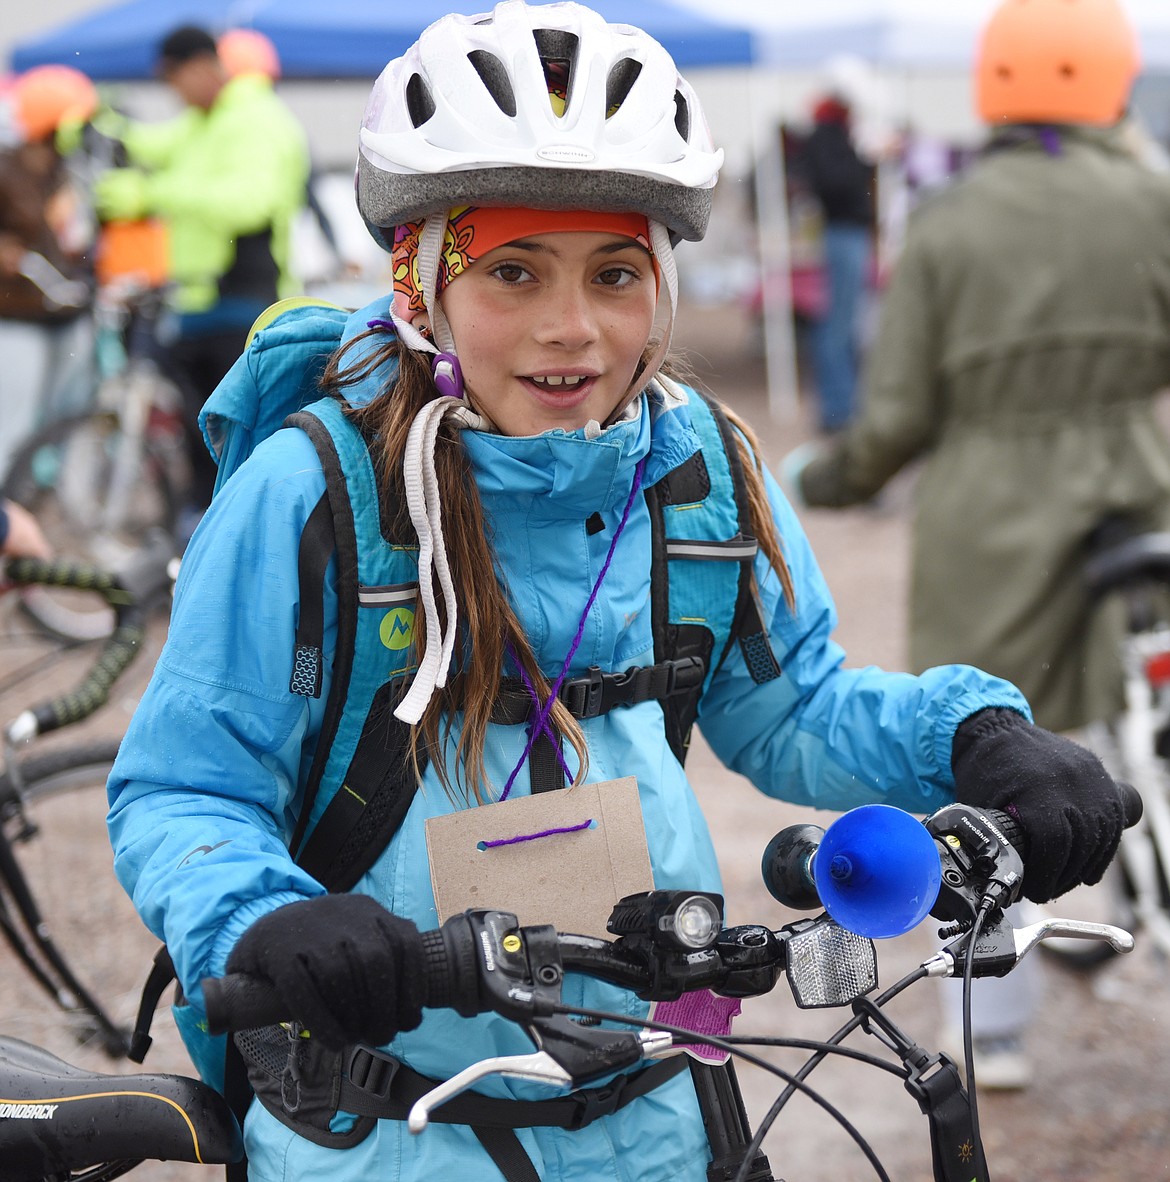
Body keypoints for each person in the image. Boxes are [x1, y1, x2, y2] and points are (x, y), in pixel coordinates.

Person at [106, 4, 1132, 1179]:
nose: (573, 329)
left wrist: (977, 736)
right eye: (511, 270)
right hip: (393, 1130)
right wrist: (260, 917)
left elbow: (792, 706)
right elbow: (186, 786)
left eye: (616, 272)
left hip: (664, 1110)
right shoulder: (311, 494)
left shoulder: (695, 468)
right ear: (419, 279)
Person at [793, 0, 1166, 1088]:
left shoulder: (952, 218)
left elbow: (899, 411)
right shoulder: (1155, 196)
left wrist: (832, 476)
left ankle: (991, 1025)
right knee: (1133, 714)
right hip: (1135, 492)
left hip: (988, 515)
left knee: (983, 755)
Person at [92, 24, 310, 532]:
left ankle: (245, 531)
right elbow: (150, 142)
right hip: (194, 300)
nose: (174, 93)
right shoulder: (203, 120)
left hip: (245, 301)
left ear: (199, 67)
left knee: (235, 433)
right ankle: (199, 524)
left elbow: (249, 201)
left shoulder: (256, 119)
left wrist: (152, 196)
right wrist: (94, 119)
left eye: (173, 79)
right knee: (197, 430)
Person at [0, 64, 98, 479]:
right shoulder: (6, 170)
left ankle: (43, 507)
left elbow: (76, 237)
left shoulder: (68, 174)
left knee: (66, 420)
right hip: (18, 312)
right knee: (14, 423)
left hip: (68, 311)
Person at [801, 85, 876, 434]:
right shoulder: (829, 138)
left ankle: (841, 405)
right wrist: (865, 160)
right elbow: (838, 184)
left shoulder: (827, 136)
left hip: (844, 234)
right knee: (839, 325)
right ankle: (839, 408)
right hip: (844, 234)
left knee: (842, 324)